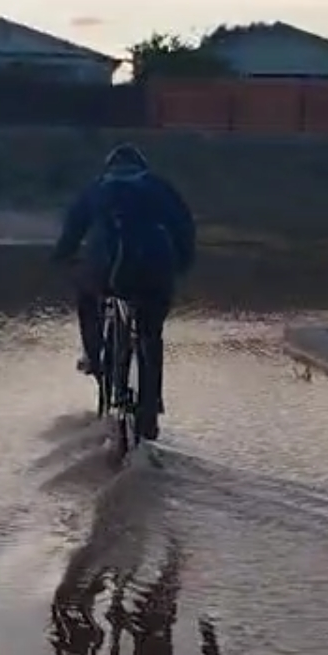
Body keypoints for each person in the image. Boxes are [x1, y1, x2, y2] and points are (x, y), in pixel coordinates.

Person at [53, 143, 196, 439]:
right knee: (151, 334)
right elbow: (184, 228)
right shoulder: (159, 187)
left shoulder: (97, 188)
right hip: (155, 270)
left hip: (105, 271)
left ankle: (93, 356)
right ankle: (151, 405)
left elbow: (72, 230)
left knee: (86, 295)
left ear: (109, 167)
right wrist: (182, 264)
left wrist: (63, 257)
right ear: (142, 167)